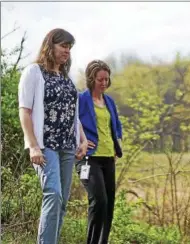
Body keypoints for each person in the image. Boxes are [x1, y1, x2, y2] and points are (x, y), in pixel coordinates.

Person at [18, 28, 88, 244]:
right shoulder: (34, 72)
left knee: (62, 202)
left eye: (69, 48)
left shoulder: (66, 79)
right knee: (53, 194)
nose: (67, 51)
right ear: (50, 45)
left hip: (68, 146)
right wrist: (33, 146)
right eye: (63, 46)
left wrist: (83, 139)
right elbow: (25, 111)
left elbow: (72, 114)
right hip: (45, 145)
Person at [76, 59, 123, 244]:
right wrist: (81, 142)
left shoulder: (109, 101)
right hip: (89, 159)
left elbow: (115, 126)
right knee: (99, 201)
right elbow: (72, 124)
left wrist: (117, 147)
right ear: (91, 79)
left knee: (109, 203)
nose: (104, 83)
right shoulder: (81, 99)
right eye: (100, 80)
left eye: (106, 79)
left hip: (108, 158)